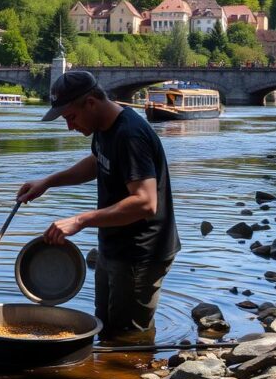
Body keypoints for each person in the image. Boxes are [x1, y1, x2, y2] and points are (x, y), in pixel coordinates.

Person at [17, 71, 179, 339]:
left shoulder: (130, 134)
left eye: (70, 117)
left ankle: (135, 377)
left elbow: (145, 203)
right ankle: (107, 378)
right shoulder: (105, 127)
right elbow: (97, 162)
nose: (70, 126)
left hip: (140, 253)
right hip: (114, 246)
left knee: (128, 335)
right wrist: (48, 181)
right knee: (104, 325)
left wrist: (81, 220)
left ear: (90, 103)